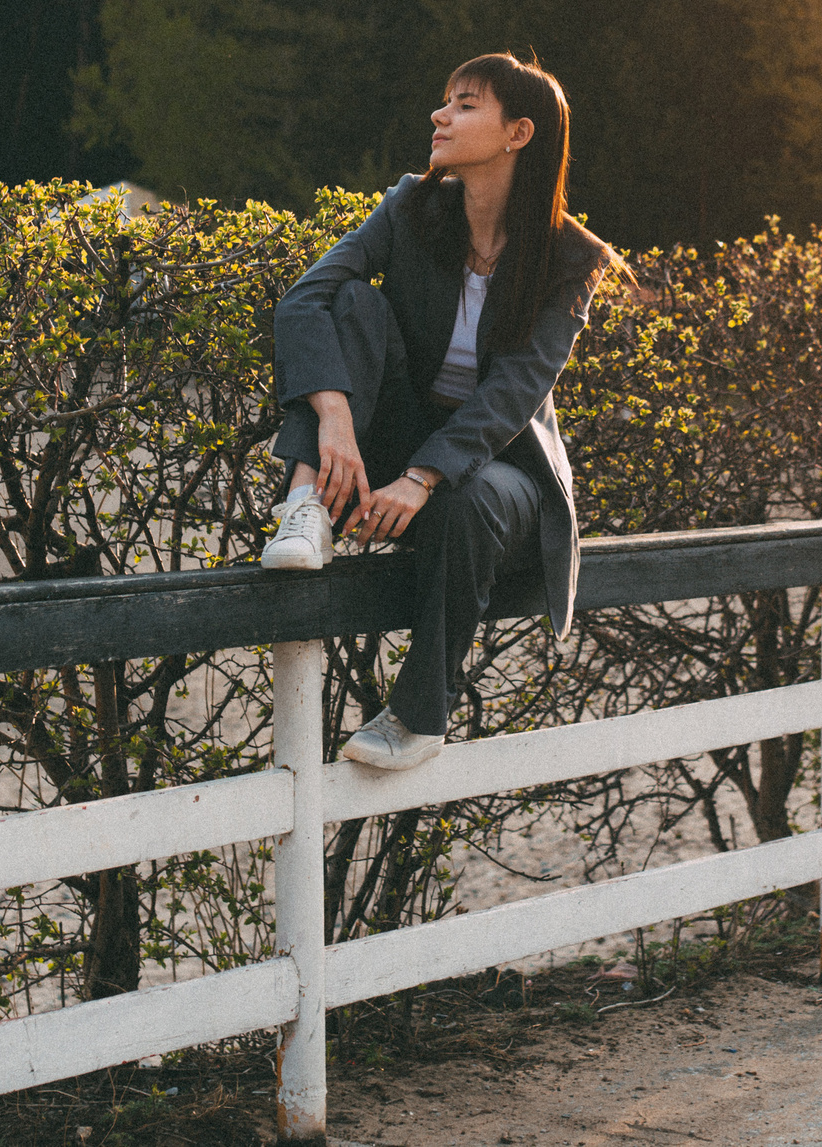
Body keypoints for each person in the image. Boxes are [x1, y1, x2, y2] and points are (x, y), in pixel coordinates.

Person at [261, 52, 617, 771]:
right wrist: (334, 416)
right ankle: (305, 506)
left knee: (470, 494)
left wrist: (423, 476)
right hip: (392, 439)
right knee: (354, 300)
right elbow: (305, 297)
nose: (439, 115)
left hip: (495, 470)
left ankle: (421, 715)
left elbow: (512, 394)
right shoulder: (411, 206)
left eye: (464, 104)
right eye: (445, 101)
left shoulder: (571, 258)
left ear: (518, 133)